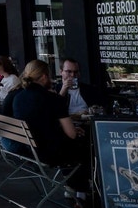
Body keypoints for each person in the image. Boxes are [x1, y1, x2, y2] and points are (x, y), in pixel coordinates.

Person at [11, 59, 89, 200]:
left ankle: (72, 187)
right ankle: (82, 192)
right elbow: (71, 135)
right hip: (50, 153)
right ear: (44, 77)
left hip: (30, 150)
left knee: (73, 146)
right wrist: (74, 130)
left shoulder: (18, 97)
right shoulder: (53, 99)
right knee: (86, 145)